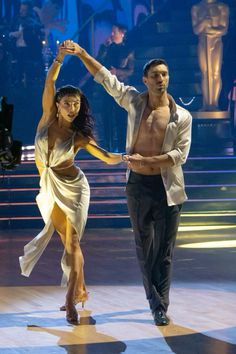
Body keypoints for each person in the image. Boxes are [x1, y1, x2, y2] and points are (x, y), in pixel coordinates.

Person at [64, 40, 192, 326]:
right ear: (145, 80)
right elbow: (106, 80)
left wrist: (145, 161)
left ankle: (161, 304)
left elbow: (178, 155)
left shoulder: (181, 116)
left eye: (165, 74)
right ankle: (157, 305)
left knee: (165, 251)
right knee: (145, 246)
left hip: (168, 188)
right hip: (138, 185)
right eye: (155, 75)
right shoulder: (134, 101)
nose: (161, 79)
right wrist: (84, 54)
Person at [19, 41, 123, 325]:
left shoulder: (79, 136)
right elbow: (49, 80)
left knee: (73, 243)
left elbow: (105, 157)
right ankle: (80, 290)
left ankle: (69, 301)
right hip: (50, 188)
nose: (72, 108)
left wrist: (128, 156)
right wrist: (59, 58)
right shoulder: (45, 119)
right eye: (67, 103)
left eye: (76, 104)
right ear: (57, 105)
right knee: (66, 242)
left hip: (74, 188)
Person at [80, 23, 134, 152]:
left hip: (121, 88)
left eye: (114, 32)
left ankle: (122, 146)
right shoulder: (106, 48)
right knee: (107, 116)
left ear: (122, 33)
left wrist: (118, 72)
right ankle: (109, 147)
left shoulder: (128, 51)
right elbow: (98, 62)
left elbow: (131, 71)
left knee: (121, 117)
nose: (112, 34)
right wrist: (104, 47)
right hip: (107, 87)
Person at [191, 0, 229, 111]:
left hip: (216, 43)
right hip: (203, 43)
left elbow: (223, 29)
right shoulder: (196, 8)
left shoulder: (222, 7)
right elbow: (196, 30)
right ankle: (206, 104)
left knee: (215, 73)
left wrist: (210, 29)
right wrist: (204, 23)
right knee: (205, 73)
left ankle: (214, 103)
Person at [9, 0, 44, 86]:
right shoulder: (16, 20)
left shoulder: (33, 23)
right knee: (16, 67)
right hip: (16, 49)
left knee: (26, 69)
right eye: (21, 10)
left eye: (24, 10)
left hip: (28, 50)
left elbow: (38, 35)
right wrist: (12, 34)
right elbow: (8, 31)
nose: (21, 12)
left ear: (28, 11)